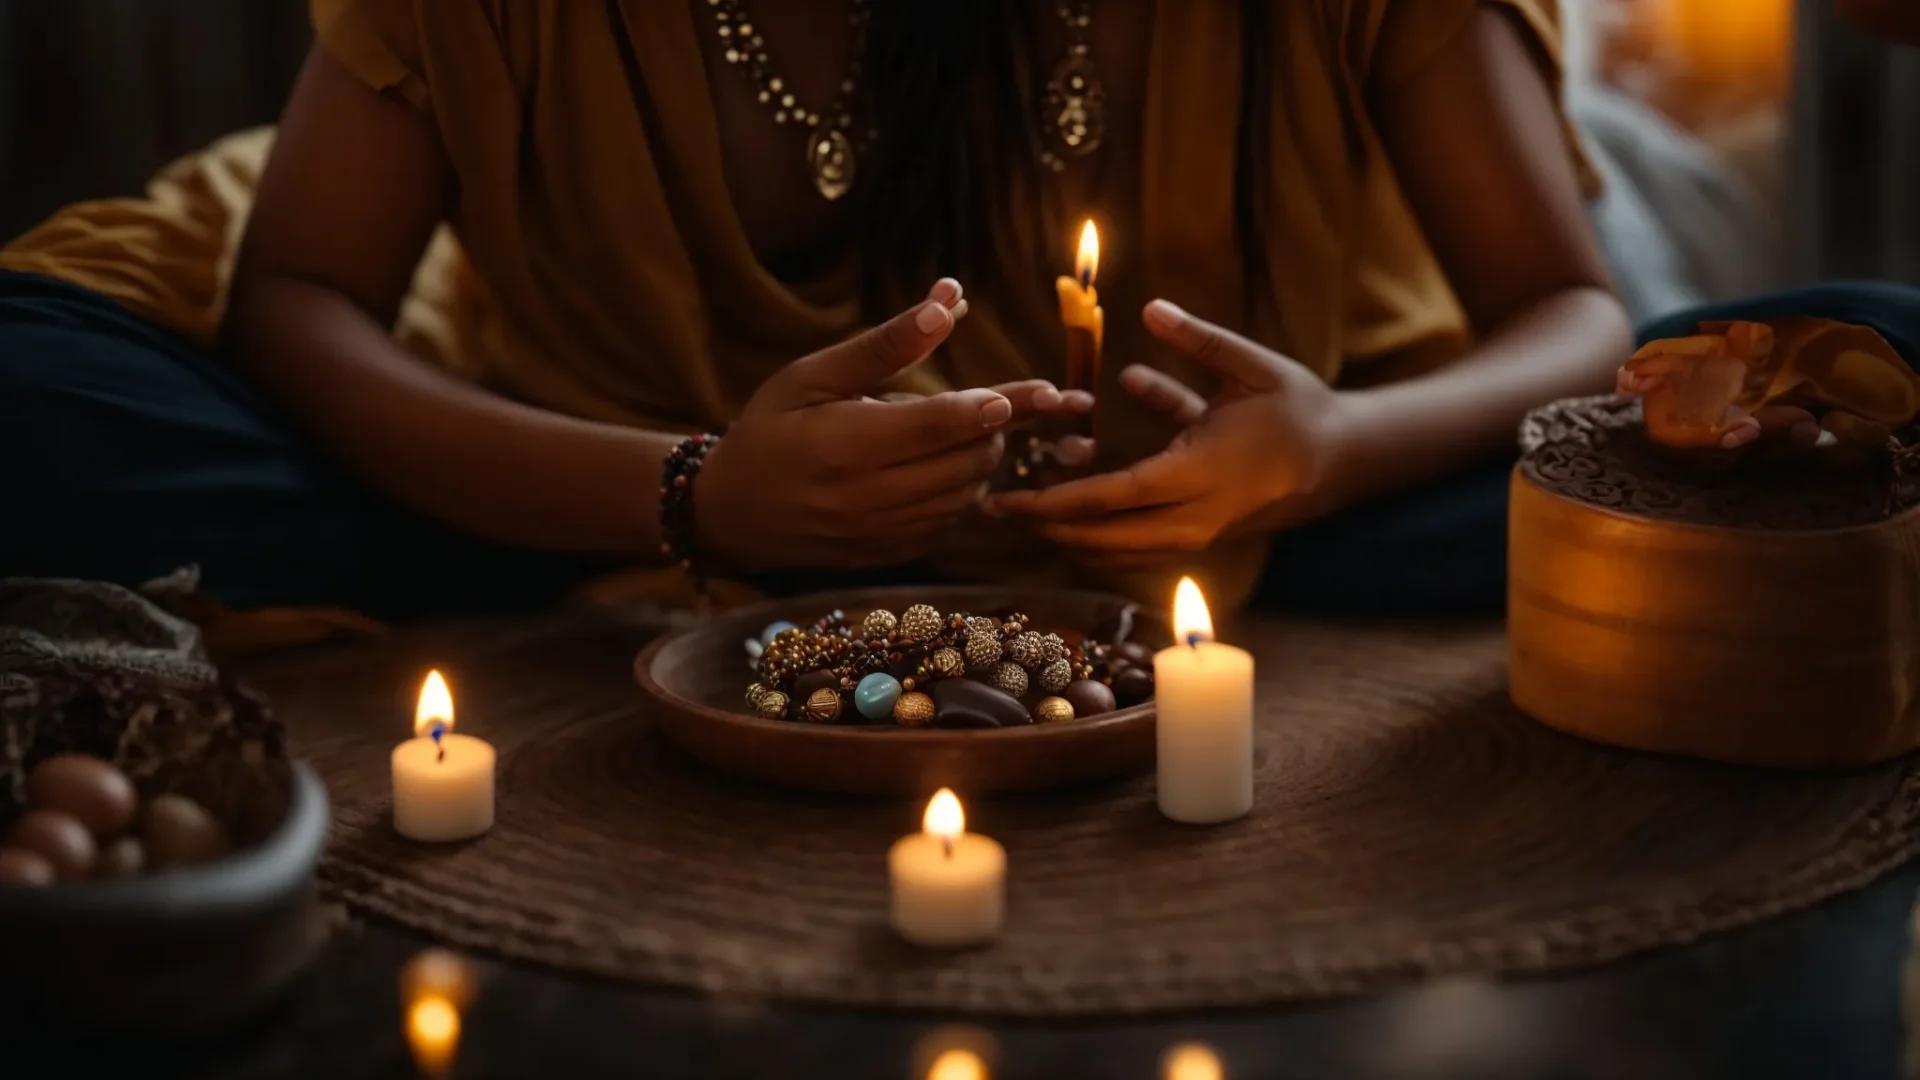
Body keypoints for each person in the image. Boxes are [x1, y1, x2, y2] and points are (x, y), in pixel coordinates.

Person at [0, 0, 1644, 641]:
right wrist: (687, 494)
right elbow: (297, 302)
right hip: (605, 486)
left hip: (1261, 525)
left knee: (1876, 363)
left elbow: (1573, 313)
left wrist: (1332, 451)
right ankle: (562, 568)